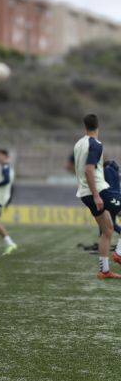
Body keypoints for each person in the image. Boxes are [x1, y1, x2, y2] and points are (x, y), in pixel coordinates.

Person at [72, 114, 121, 278]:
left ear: (85, 126)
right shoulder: (96, 144)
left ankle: (104, 270)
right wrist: (96, 195)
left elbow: (79, 169)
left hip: (84, 193)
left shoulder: (79, 144)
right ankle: (119, 254)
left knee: (107, 230)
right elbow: (88, 169)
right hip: (98, 192)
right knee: (108, 229)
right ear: (98, 126)